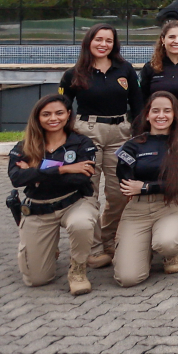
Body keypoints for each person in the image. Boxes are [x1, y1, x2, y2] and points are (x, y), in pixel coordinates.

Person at [59, 24, 142, 269]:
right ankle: (93, 249)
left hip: (120, 132)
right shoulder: (74, 73)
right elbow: (62, 108)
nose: (103, 44)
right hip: (88, 133)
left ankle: (110, 241)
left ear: (114, 44)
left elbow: (137, 103)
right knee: (89, 191)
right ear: (89, 42)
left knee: (118, 193)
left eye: (108, 40)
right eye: (98, 39)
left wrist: (139, 135)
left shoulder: (124, 69)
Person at [9, 96, 99, 295]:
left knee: (82, 223)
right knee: (36, 280)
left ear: (68, 114)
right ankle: (49, 250)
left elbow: (81, 179)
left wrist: (35, 170)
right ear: (37, 117)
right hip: (39, 208)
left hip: (74, 202)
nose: (53, 118)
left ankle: (77, 270)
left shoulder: (82, 143)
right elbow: (16, 178)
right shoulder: (24, 146)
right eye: (46, 114)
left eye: (59, 113)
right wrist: (64, 169)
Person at [112, 92, 178, 286]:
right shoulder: (131, 146)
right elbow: (126, 184)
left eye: (167, 111)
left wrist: (146, 186)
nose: (161, 115)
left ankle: (171, 254)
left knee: (167, 242)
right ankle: (142, 249)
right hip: (137, 212)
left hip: (171, 205)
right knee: (128, 278)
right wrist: (161, 185)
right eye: (155, 110)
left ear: (175, 115)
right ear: (147, 115)